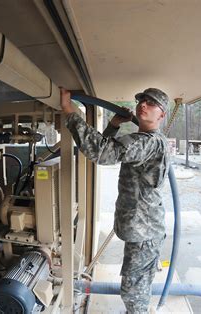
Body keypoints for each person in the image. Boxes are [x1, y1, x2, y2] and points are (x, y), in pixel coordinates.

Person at [60, 87, 170, 313]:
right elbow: (107, 148)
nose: (143, 105)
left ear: (162, 115)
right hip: (141, 229)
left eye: (151, 103)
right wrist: (114, 125)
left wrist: (69, 111)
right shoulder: (146, 140)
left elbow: (101, 153)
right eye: (142, 100)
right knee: (135, 285)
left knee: (134, 291)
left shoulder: (148, 142)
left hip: (145, 233)